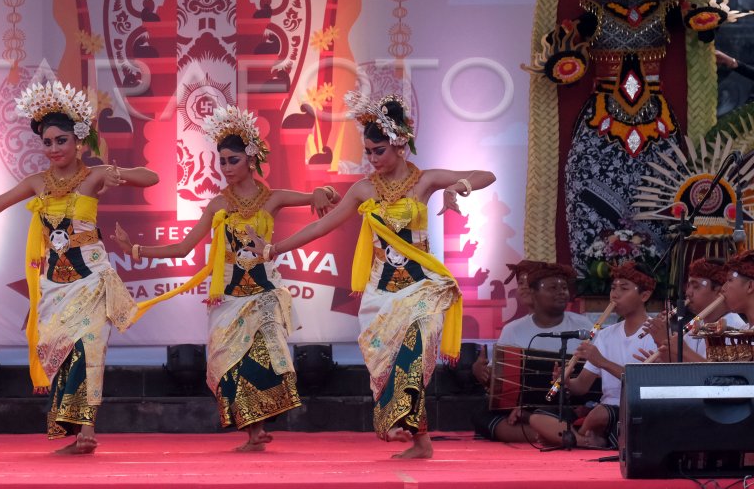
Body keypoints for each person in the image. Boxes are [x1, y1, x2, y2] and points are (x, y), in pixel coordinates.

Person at [253, 93, 494, 459]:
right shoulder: (364, 189)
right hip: (381, 293)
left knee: (414, 355)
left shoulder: (425, 180)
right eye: (368, 151)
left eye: (378, 150)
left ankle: (407, 427)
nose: (372, 158)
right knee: (387, 363)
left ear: (399, 145)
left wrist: (456, 186)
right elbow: (323, 227)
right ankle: (421, 440)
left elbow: (485, 174)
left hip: (423, 287)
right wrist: (274, 248)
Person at [0, 80, 158, 454]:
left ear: (79, 141)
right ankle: (71, 428)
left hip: (91, 278)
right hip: (54, 284)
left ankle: (87, 431)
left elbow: (150, 177)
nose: (53, 149)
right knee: (59, 352)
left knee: (90, 349)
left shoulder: (94, 175)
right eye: (48, 142)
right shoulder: (37, 182)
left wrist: (122, 174)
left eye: (61, 141)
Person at [112, 105, 337, 452]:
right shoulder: (218, 204)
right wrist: (136, 249)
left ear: (251, 159)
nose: (227, 168)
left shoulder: (272, 198)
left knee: (263, 357)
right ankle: (252, 430)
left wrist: (324, 190)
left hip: (263, 294)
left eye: (233, 160)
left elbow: (316, 196)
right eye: (222, 161)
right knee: (230, 361)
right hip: (229, 297)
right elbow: (184, 247)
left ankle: (258, 428)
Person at [525, 0, 742, 272]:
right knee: (585, 175)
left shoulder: (663, 10)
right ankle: (594, 267)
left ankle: (655, 268)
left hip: (655, 116)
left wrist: (707, 22)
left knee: (663, 184)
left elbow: (695, 20)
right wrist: (562, 61)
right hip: (603, 116)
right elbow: (557, 41)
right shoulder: (595, 14)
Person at [526, 261, 655, 449]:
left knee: (599, 414)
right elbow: (582, 387)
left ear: (644, 295)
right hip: (604, 411)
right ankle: (586, 441)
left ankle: (573, 438)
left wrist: (602, 362)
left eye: (624, 288)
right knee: (538, 417)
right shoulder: (606, 334)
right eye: (613, 288)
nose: (615, 294)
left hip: (634, 410)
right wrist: (567, 381)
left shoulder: (655, 333)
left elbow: (642, 384)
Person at [471, 262, 594, 443]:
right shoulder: (513, 329)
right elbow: (499, 380)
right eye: (553, 288)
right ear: (533, 293)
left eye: (564, 287)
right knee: (482, 414)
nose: (561, 292)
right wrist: (482, 372)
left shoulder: (584, 326)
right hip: (524, 405)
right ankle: (554, 434)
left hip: (568, 404)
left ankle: (545, 431)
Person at [641, 258, 746, 362]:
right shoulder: (694, 324)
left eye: (696, 287)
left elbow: (717, 376)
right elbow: (681, 368)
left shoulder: (735, 330)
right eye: (688, 286)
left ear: (719, 291)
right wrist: (662, 343)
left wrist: (668, 341)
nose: (688, 292)